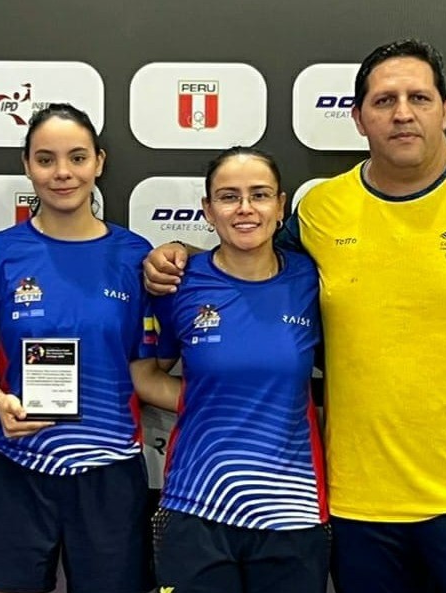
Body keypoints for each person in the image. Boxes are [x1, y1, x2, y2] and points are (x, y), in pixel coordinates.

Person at [143, 39, 446, 593]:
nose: (403, 113)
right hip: (361, 508)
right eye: (385, 101)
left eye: (419, 98)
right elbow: (253, 268)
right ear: (359, 118)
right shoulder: (320, 211)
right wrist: (182, 255)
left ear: (445, 109)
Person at [0, 103, 176, 593]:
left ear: (99, 162)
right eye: (46, 159)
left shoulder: (134, 256)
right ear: (27, 166)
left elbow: (147, 369)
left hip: (108, 471)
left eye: (77, 158)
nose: (62, 173)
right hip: (16, 466)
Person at [149, 146, 328, 593]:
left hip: (293, 511)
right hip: (197, 504)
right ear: (208, 210)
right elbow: (143, 374)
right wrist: (206, 398)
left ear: (281, 206)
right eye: (229, 197)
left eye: (260, 195)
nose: (245, 208)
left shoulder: (312, 280)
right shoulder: (179, 283)